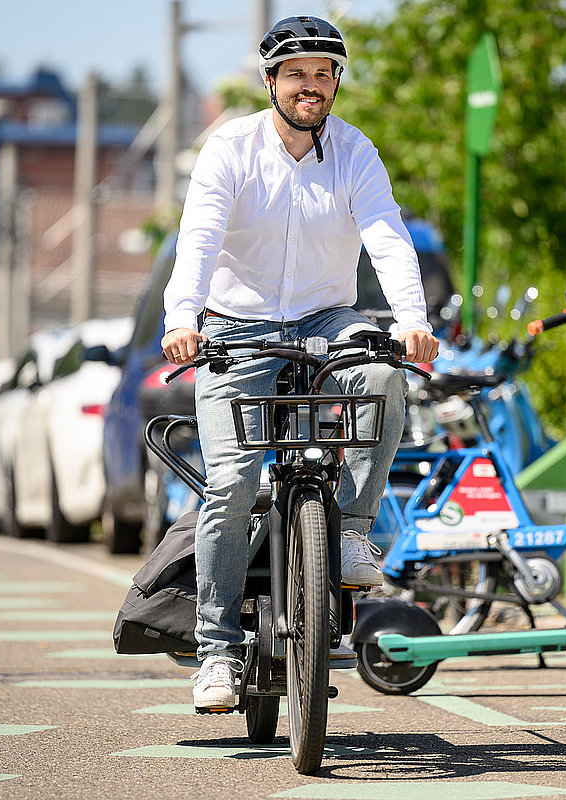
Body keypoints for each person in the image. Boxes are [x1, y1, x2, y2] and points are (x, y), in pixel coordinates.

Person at [160, 14, 440, 712]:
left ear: (336, 82)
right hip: (236, 324)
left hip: (325, 318)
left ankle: (348, 530)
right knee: (229, 481)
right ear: (271, 82)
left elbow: (387, 236)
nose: (311, 86)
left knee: (381, 375)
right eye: (297, 74)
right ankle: (217, 650)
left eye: (324, 73)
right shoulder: (230, 148)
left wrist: (411, 322)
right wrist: (182, 319)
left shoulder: (355, 153)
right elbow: (197, 240)